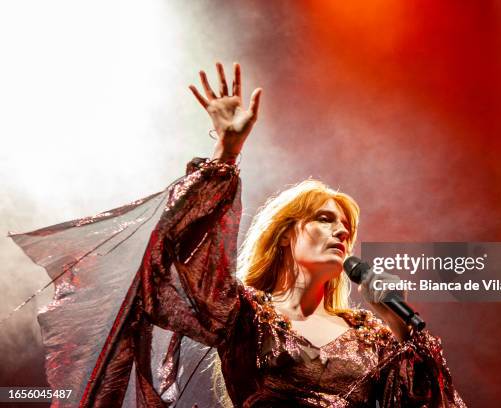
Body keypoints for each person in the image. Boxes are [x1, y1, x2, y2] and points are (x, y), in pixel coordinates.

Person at [11, 63, 465, 407]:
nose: (341, 229)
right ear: (286, 235)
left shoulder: (375, 336)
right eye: (324, 219)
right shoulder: (243, 316)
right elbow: (167, 260)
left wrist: (405, 330)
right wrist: (225, 152)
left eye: (346, 225)